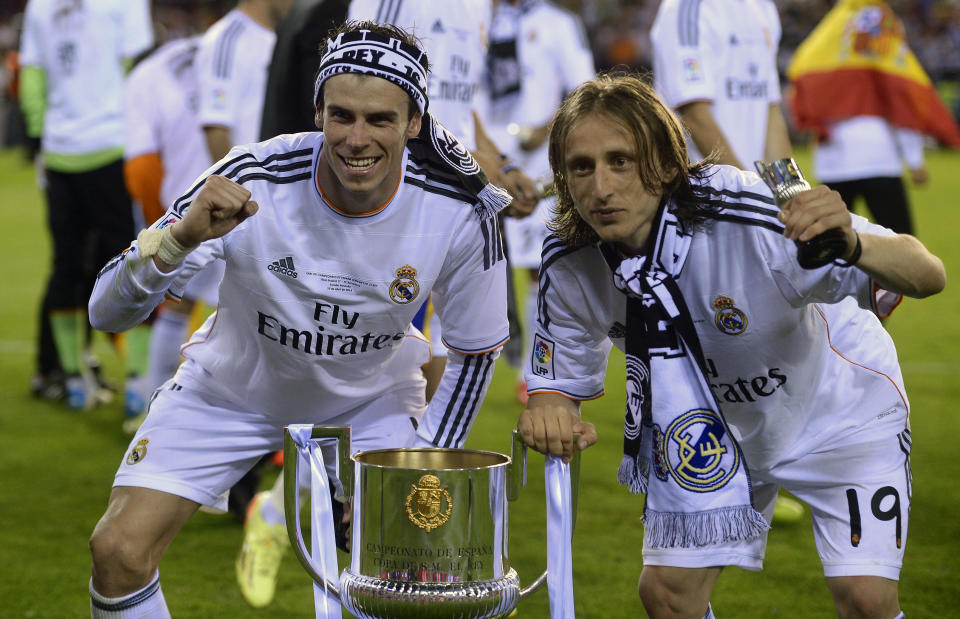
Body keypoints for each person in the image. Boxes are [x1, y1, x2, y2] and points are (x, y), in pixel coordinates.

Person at [87, 21, 510, 616]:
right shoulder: (253, 176)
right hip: (230, 391)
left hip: (371, 402)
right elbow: (105, 307)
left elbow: (475, 353)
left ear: (414, 123)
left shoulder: (461, 208)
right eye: (342, 116)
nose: (356, 139)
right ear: (317, 113)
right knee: (118, 550)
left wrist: (419, 464)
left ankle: (310, 514)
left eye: (380, 120)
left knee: (413, 576)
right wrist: (178, 241)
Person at [517, 73, 944, 618]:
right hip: (715, 439)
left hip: (841, 415)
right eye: (582, 166)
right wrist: (549, 412)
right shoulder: (570, 258)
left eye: (621, 161)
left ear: (667, 164)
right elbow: (556, 387)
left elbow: (928, 274)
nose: (601, 188)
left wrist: (855, 243)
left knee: (865, 600)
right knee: (668, 596)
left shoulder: (747, 209)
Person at [650, 0, 804, 523]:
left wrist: (790, 197)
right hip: (700, 215)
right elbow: (692, 112)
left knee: (768, 347)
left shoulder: (762, 10)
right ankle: (706, 484)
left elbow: (768, 115)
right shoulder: (689, 10)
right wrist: (754, 202)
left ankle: (765, 472)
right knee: (715, 352)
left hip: (748, 210)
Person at [18, 0, 154, 411]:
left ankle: (75, 380)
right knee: (133, 261)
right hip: (112, 147)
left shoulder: (40, 6)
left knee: (67, 264)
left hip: (60, 152)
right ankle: (137, 382)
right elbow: (140, 71)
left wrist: (41, 138)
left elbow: (32, 76)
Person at [122, 2, 233, 436]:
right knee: (261, 315)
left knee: (172, 309)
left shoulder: (151, 72)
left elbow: (141, 166)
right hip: (250, 206)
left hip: (185, 210)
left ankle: (156, 415)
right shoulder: (260, 51)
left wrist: (159, 225)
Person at [484, 0, 595, 404]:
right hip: (481, 158)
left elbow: (584, 89)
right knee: (465, 263)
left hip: (537, 164)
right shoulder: (482, 17)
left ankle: (534, 367)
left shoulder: (558, 24)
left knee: (539, 269)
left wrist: (548, 129)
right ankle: (463, 360)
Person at [787, 0, 960, 236]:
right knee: (901, 246)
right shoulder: (884, 26)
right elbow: (899, 97)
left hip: (832, 162)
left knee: (835, 251)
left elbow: (799, 74)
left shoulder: (828, 33)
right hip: (878, 158)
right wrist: (914, 159)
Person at [649, 0, 791, 170]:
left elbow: (769, 109)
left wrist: (790, 189)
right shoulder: (686, 7)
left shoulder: (763, 7)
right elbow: (695, 116)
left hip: (748, 189)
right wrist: (748, 191)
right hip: (701, 190)